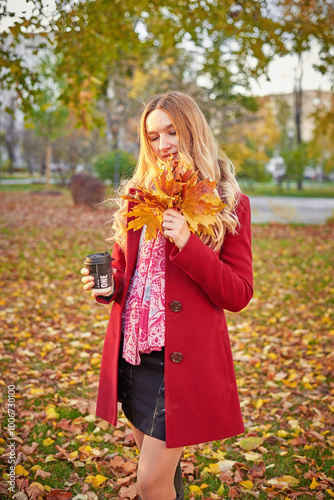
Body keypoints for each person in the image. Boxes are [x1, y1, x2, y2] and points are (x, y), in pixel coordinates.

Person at [81, 91, 253, 500]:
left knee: (149, 482)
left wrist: (189, 244)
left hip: (178, 363)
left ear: (192, 129)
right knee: (163, 478)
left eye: (172, 131)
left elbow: (239, 292)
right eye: (153, 137)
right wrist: (107, 287)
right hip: (135, 355)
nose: (163, 145)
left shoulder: (229, 202)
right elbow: (128, 273)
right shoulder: (138, 197)